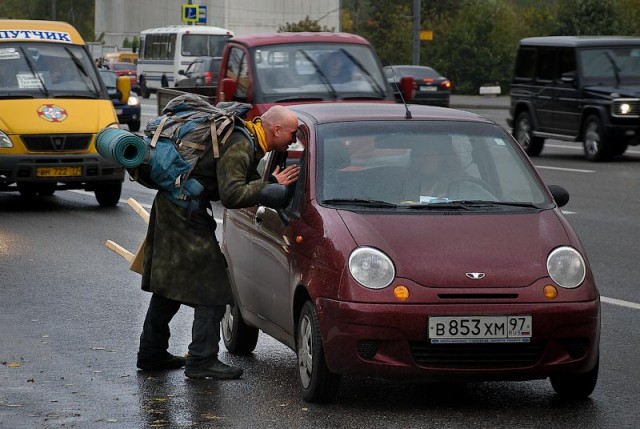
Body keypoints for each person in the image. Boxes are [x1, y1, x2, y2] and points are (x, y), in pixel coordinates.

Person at [137, 105, 300, 379]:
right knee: (215, 286)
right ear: (276, 130)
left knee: (169, 283)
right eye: (292, 134)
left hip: (176, 208)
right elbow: (232, 194)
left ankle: (151, 353)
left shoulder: (249, 138)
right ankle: (202, 359)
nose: (293, 141)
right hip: (183, 212)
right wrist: (270, 184)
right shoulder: (241, 143)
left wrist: (265, 182)